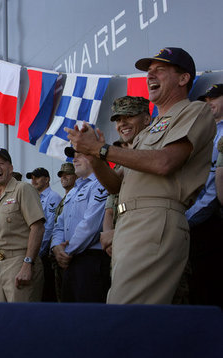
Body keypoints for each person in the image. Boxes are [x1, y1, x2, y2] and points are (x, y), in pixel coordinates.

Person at [67, 47, 216, 304]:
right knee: (131, 312)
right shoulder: (149, 131)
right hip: (129, 226)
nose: (150, 76)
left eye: (160, 70)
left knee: (127, 313)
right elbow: (116, 185)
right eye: (149, 72)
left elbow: (164, 163)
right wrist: (96, 158)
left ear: (183, 79)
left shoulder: (194, 111)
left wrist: (102, 149)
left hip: (155, 220)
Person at [0, 148, 45, 302]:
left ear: (10, 168)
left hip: (20, 263)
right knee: (1, 321)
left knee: (21, 321)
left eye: (0, 163)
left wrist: (27, 264)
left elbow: (37, 227)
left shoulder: (23, 189)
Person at [51, 151, 109, 302]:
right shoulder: (73, 191)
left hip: (90, 261)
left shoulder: (102, 183)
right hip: (70, 260)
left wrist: (66, 252)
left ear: (95, 157)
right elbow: (59, 224)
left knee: (89, 317)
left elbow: (91, 226)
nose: (74, 159)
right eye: (74, 155)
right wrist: (56, 246)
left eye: (81, 155)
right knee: (69, 316)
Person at [184, 83, 223, 307]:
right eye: (205, 100)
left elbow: (213, 188)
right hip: (191, 222)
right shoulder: (200, 134)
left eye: (214, 98)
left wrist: (188, 218)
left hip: (208, 222)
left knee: (208, 290)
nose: (209, 104)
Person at [99, 96, 151, 257]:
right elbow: (110, 207)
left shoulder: (156, 152)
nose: (122, 124)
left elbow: (150, 206)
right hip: (120, 244)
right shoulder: (122, 165)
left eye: (129, 116)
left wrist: (117, 234)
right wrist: (108, 236)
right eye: (118, 119)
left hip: (148, 241)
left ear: (147, 119)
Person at [26, 167, 62, 301]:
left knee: (47, 293)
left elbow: (49, 227)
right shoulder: (34, 197)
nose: (33, 180)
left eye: (37, 177)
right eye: (32, 177)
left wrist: (37, 252)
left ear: (47, 180)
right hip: (34, 252)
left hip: (44, 254)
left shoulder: (53, 197)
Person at [51, 162, 77, 301]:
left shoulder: (78, 196)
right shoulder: (63, 200)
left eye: (68, 174)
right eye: (61, 175)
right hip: (58, 256)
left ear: (76, 176)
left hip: (71, 256)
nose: (63, 177)